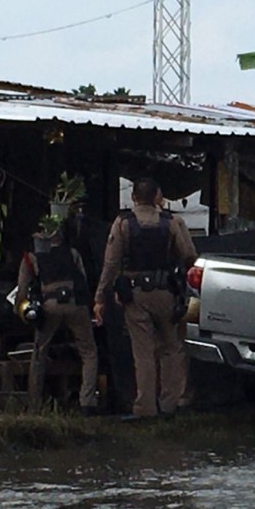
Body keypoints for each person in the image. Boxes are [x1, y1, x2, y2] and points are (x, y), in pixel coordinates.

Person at [93, 177, 197, 420]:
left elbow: (110, 264)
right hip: (166, 293)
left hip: (135, 294)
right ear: (156, 197)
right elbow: (189, 256)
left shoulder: (123, 224)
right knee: (171, 348)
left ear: (133, 197)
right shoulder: (173, 222)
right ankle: (170, 405)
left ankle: (145, 408)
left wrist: (99, 298)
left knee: (143, 353)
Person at [16, 222, 99, 415]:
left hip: (49, 305)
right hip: (75, 304)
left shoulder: (31, 257)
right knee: (89, 352)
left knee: (39, 354)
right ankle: (88, 402)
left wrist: (21, 311)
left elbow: (21, 292)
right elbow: (83, 280)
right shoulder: (72, 253)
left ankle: (34, 404)